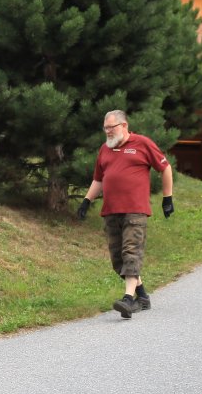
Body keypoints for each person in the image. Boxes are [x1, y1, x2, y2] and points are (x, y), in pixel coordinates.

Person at [75, 110, 175, 318]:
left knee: (131, 252)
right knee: (118, 260)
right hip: (111, 211)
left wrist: (168, 198)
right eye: (105, 128)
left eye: (111, 127)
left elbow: (165, 168)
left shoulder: (142, 143)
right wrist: (86, 201)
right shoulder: (105, 149)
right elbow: (98, 179)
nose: (108, 131)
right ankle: (142, 297)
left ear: (124, 125)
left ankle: (128, 299)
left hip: (135, 210)